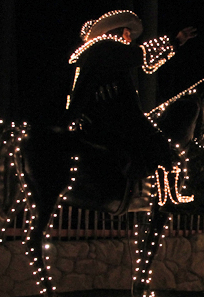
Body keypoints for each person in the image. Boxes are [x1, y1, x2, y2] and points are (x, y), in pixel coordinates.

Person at [64, 10, 196, 179]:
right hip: (113, 117)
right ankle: (150, 192)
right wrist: (176, 41)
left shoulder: (86, 55)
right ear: (115, 32)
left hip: (89, 119)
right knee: (159, 144)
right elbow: (143, 55)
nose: (129, 39)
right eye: (127, 33)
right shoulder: (106, 47)